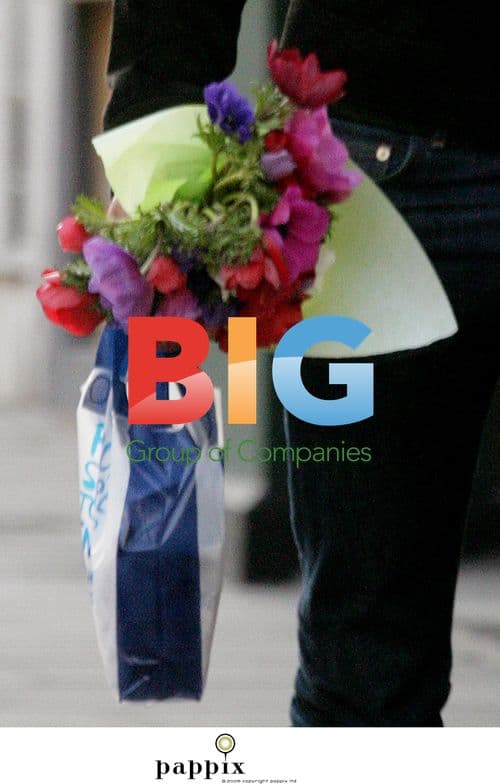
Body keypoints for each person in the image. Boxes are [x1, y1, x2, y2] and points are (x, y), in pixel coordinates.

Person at [103, 1, 499, 726]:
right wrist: (156, 128)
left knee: (365, 662)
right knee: (366, 662)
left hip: (382, 157)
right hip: (375, 176)